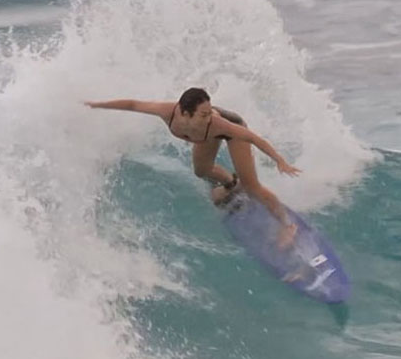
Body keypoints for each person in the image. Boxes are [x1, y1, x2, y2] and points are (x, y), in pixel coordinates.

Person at [84, 87, 302, 248]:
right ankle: (230, 183)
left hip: (233, 130)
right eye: (203, 114)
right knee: (201, 171)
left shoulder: (216, 123)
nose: (208, 118)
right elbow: (133, 104)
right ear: (185, 113)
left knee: (252, 186)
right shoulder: (167, 112)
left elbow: (253, 138)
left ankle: (287, 225)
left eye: (209, 113)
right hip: (204, 138)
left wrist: (280, 160)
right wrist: (98, 105)